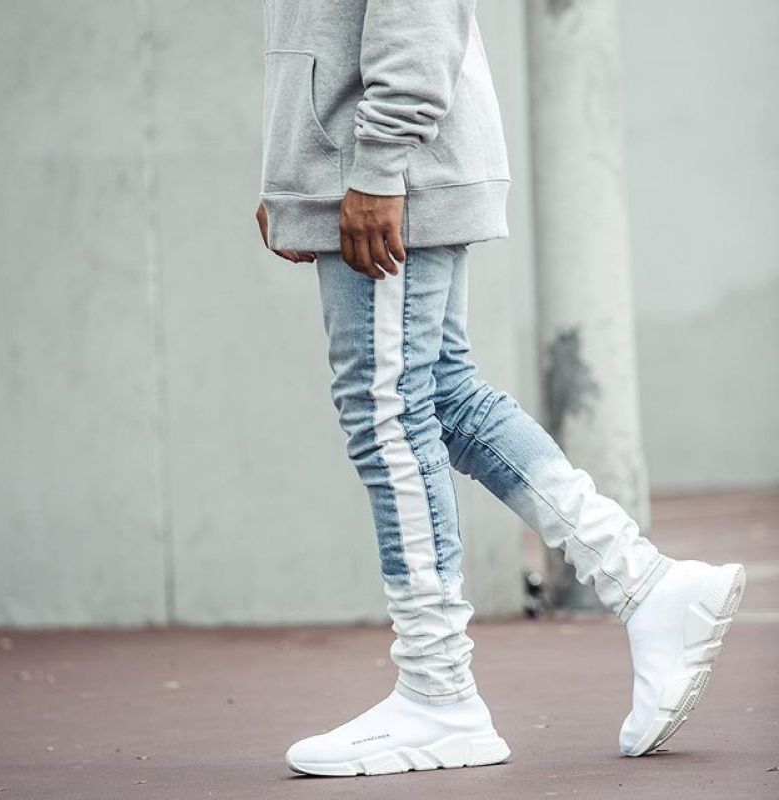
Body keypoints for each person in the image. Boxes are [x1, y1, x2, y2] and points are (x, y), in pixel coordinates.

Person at [256, 0, 745, 777]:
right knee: (443, 397)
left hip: (388, 169)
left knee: (386, 411)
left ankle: (438, 691)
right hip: (369, 163)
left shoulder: (382, 162)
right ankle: (645, 583)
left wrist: (375, 167)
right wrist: (293, 177)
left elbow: (417, 16)